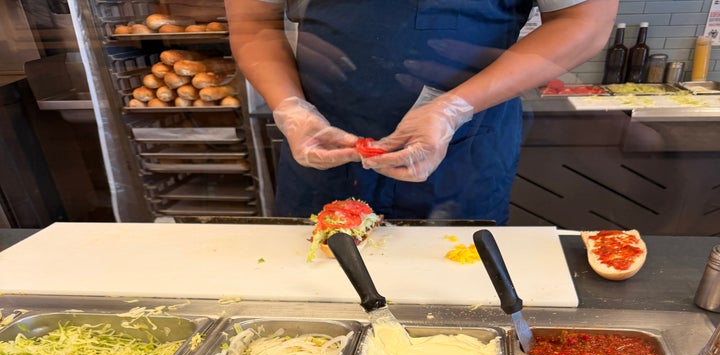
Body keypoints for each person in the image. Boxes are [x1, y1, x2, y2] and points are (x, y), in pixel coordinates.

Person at [225, 0, 618, 222]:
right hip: (324, 149)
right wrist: (291, 108)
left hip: (464, 149)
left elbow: (584, 21)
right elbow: (254, 23)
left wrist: (454, 108)